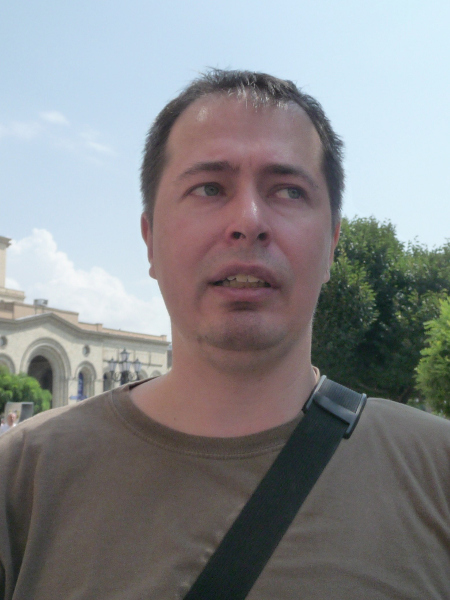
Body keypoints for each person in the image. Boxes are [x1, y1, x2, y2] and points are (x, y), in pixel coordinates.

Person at [0, 70, 449, 599]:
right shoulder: (21, 476)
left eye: (288, 191)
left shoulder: (437, 470)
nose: (248, 221)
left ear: (331, 244)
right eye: (209, 188)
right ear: (150, 240)